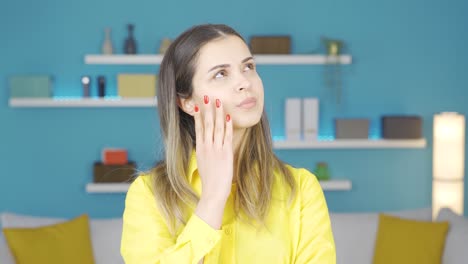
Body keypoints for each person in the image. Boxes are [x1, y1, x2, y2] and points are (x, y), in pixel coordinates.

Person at [121, 23, 336, 264]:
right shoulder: (149, 195)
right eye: (220, 74)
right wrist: (213, 198)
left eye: (249, 67)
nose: (245, 82)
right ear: (188, 102)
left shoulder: (302, 189)